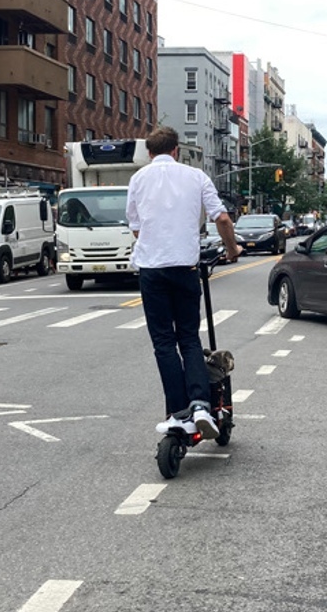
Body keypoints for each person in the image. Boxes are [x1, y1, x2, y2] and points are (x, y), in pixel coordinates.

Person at [126, 126, 242, 439]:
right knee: (188, 338)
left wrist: (155, 240)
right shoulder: (196, 177)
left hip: (152, 269)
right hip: (185, 268)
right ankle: (202, 405)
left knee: (163, 343)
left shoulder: (138, 180)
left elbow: (136, 227)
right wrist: (232, 250)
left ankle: (178, 412)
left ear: (150, 153)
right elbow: (222, 219)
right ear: (176, 150)